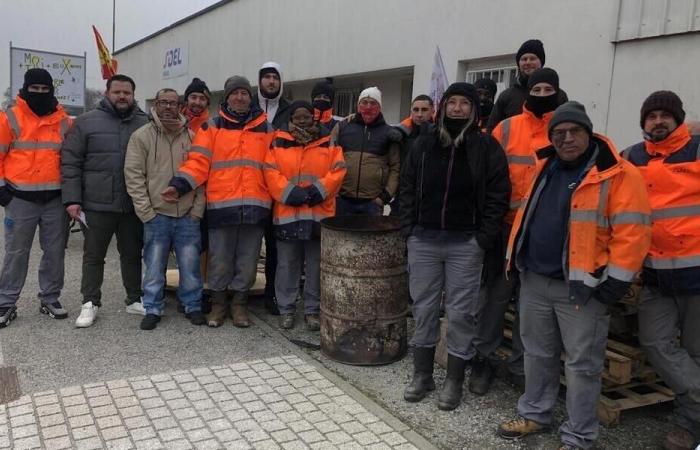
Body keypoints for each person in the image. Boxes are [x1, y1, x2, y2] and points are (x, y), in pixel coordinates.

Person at [498, 102, 651, 450]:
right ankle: (536, 413)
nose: (567, 139)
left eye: (574, 131)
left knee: (582, 365)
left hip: (583, 289)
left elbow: (633, 233)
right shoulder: (545, 166)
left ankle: (579, 435)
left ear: (589, 132)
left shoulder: (619, 174)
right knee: (537, 352)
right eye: (559, 133)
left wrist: (614, 283)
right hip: (535, 280)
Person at [400, 82, 510, 411]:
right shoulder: (423, 145)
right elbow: (406, 188)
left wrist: (483, 238)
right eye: (453, 102)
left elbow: (497, 196)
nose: (458, 108)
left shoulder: (486, 147)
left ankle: (454, 379)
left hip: (466, 244)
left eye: (465, 103)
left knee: (462, 314)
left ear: (474, 110)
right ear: (442, 106)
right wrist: (409, 230)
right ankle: (422, 375)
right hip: (425, 241)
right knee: (424, 309)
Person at [472, 68, 564, 395]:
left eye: (547, 88)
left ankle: (521, 367)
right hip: (504, 229)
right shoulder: (506, 127)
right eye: (535, 88)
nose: (541, 94)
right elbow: (486, 176)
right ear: (526, 91)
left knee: (532, 306)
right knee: (494, 299)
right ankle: (482, 359)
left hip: (540, 235)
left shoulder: (564, 129)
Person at [162, 75, 273, 328]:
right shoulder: (212, 126)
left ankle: (239, 305)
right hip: (222, 207)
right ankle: (219, 303)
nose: (240, 97)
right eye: (235, 93)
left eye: (244, 93)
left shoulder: (266, 128)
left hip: (256, 207)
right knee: (219, 260)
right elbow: (198, 162)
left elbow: (275, 166)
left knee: (248, 259)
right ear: (227, 97)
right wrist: (179, 184)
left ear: (250, 96)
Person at [624, 91, 700, 450]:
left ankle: (687, 425)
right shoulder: (632, 156)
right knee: (655, 342)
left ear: (678, 120)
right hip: (655, 275)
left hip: (697, 276)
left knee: (696, 350)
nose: (658, 121)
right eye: (651, 116)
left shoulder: (697, 150)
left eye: (664, 116)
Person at [61, 74, 149, 328]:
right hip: (97, 204)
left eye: (127, 93)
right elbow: (71, 162)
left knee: (132, 254)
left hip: (132, 204)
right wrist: (72, 199)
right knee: (93, 255)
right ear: (107, 93)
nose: (122, 96)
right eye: (117, 92)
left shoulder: (145, 123)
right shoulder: (86, 122)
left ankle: (134, 298)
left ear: (133, 95)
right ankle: (90, 302)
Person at [124, 88, 206, 330]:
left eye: (173, 103)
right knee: (154, 266)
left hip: (188, 216)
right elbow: (134, 177)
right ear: (156, 105)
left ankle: (192, 305)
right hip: (156, 215)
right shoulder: (141, 137)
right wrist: (146, 212)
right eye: (163, 102)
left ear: (180, 106)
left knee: (190, 265)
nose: (168, 107)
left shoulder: (193, 137)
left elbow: (202, 176)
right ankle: (152, 307)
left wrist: (197, 211)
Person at [263, 101, 346, 330]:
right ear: (290, 119)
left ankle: (312, 310)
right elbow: (270, 172)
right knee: (287, 265)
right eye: (297, 117)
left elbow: (338, 171)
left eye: (306, 116)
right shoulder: (278, 142)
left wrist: (316, 191)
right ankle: (286, 309)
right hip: (288, 213)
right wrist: (291, 194)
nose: (302, 120)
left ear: (314, 118)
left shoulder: (328, 141)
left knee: (315, 266)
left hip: (319, 215)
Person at [0, 68, 71, 327]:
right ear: (25, 88)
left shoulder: (64, 121)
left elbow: (70, 159)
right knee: (16, 253)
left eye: (45, 89)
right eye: (35, 89)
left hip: (54, 200)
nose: (40, 94)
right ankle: (6, 302)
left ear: (51, 90)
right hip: (19, 200)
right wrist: (2, 191)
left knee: (54, 253)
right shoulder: (10, 118)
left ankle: (50, 298)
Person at [253, 62, 291, 316]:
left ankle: (273, 294)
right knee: (249, 245)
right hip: (253, 187)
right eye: (266, 77)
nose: (270, 82)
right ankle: (238, 294)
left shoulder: (290, 110)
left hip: (280, 189)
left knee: (277, 248)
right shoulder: (250, 109)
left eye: (274, 77)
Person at [332, 87, 401, 216]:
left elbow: (395, 167)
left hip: (373, 203)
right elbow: (329, 159)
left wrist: (385, 196)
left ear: (379, 106)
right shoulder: (342, 127)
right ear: (358, 105)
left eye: (373, 103)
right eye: (364, 102)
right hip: (342, 200)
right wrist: (333, 192)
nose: (368, 107)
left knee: (371, 237)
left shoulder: (388, 133)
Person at [487, 39, 568, 132]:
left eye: (532, 58)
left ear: (541, 62)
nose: (528, 62)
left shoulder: (558, 95)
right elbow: (492, 130)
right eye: (524, 59)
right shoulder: (506, 96)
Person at [392, 94, 434, 217]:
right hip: (404, 196)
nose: (419, 114)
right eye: (416, 110)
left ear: (433, 111)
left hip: (429, 197)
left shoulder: (441, 136)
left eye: (424, 110)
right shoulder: (401, 135)